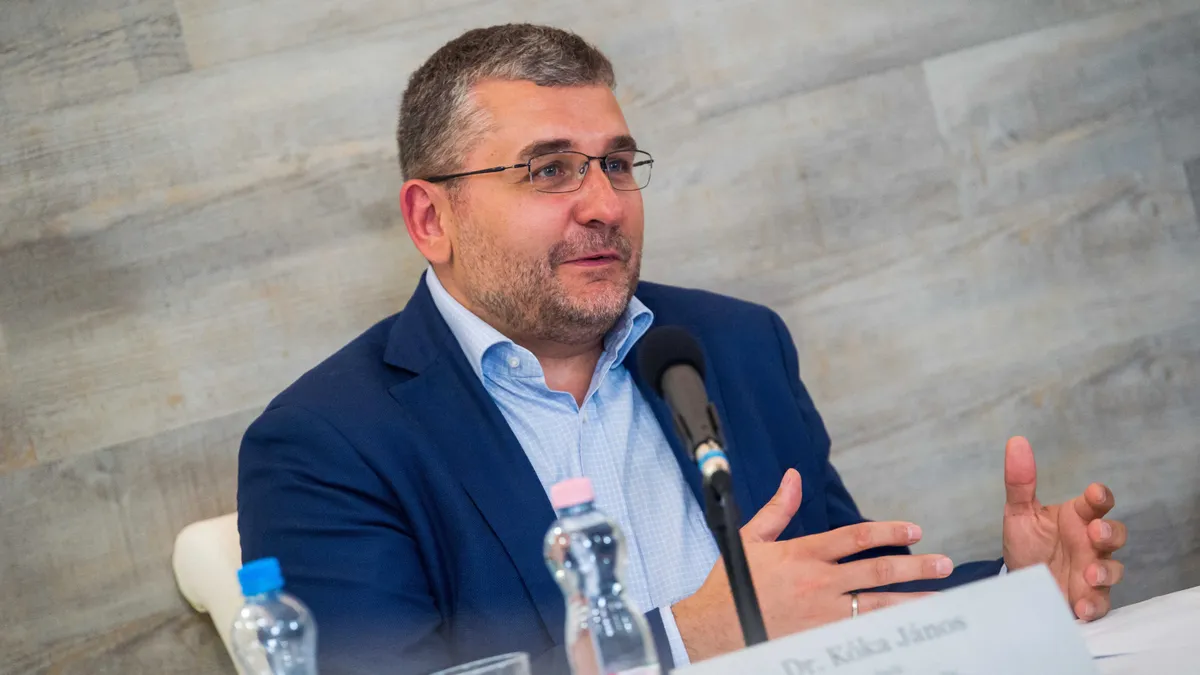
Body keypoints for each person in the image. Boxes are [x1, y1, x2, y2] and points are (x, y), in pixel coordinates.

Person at [238, 24, 1128, 675]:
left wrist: (1017, 591)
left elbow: (842, 602)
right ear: (431, 218)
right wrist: (684, 638)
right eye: (550, 169)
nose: (604, 205)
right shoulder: (324, 442)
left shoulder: (729, 346)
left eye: (617, 164)